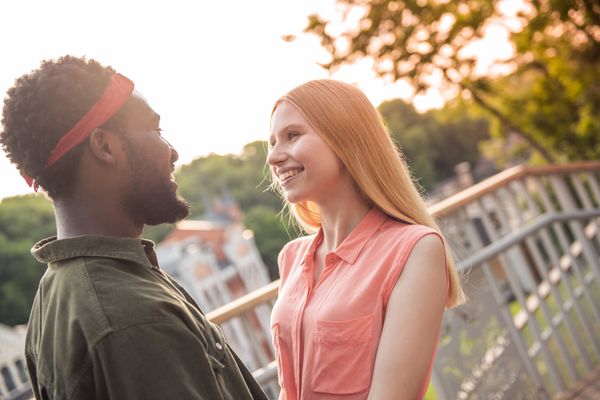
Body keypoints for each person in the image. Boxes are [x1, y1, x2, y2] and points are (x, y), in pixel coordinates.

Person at [1, 55, 267, 400]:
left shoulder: (54, 292)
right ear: (105, 147)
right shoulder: (134, 317)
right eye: (155, 130)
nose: (173, 151)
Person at [267, 79, 465, 400]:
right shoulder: (290, 258)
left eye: (293, 135)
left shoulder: (414, 249)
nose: (273, 157)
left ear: (344, 138)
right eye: (272, 141)